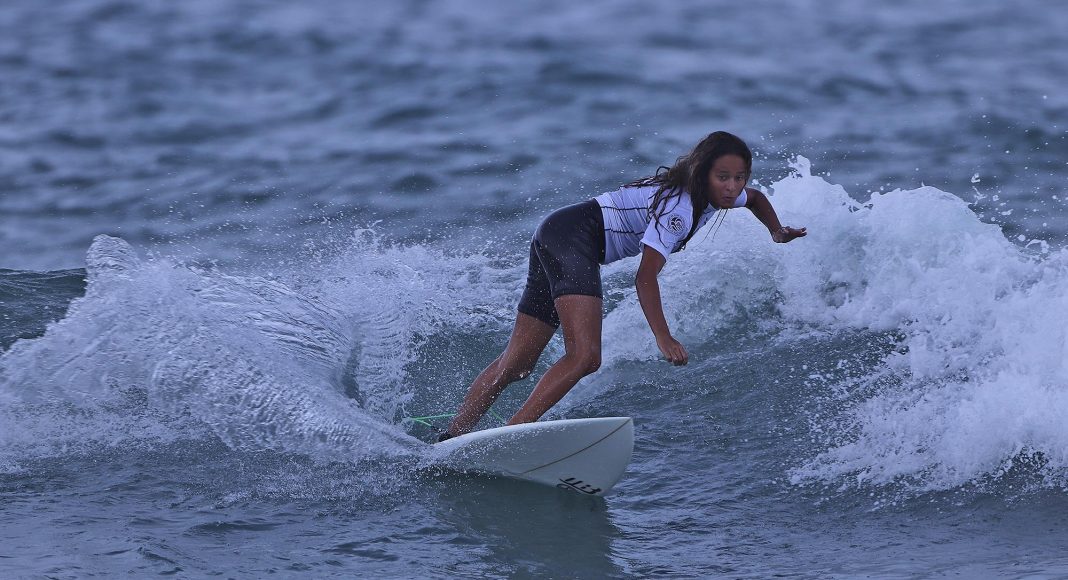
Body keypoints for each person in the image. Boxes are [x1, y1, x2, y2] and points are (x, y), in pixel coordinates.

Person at [439, 131, 806, 441]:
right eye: (723, 177)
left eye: (739, 177)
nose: (732, 188)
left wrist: (775, 230)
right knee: (585, 356)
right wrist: (664, 338)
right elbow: (644, 278)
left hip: (556, 234)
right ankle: (513, 435)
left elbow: (754, 198)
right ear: (702, 172)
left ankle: (454, 436)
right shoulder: (678, 210)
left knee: (517, 365)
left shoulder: (716, 194)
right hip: (573, 240)